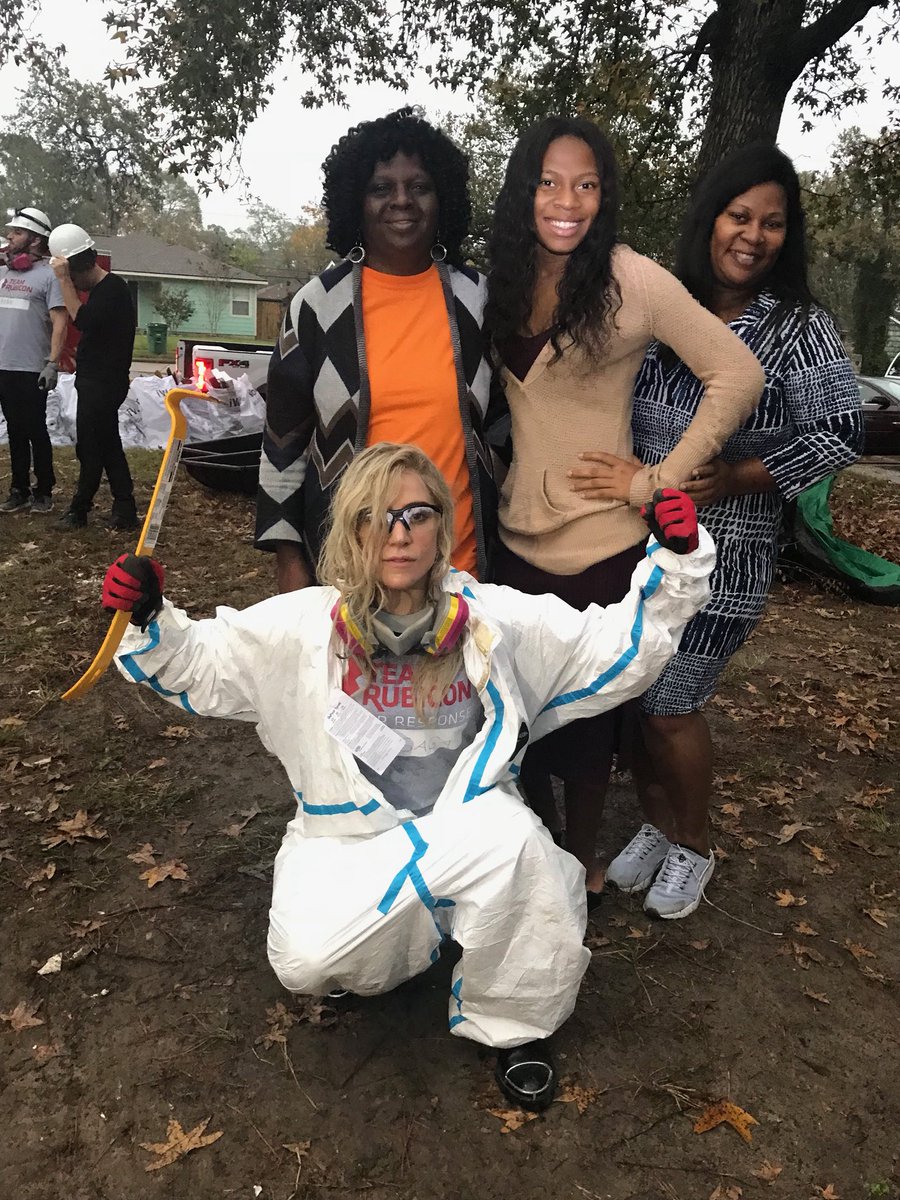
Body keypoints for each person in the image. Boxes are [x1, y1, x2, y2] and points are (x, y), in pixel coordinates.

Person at [103, 442, 714, 1110]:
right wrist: (149, 616)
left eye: (416, 514)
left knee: (518, 847)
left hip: (471, 824)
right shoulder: (304, 627)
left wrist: (676, 559)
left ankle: (516, 1023)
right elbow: (199, 663)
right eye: (375, 515)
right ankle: (415, 934)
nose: (397, 534)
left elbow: (618, 644)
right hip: (346, 838)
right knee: (305, 959)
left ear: (441, 527)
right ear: (351, 528)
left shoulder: (493, 621)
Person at [486, 117, 765, 898]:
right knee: (522, 718)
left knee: (584, 731)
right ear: (524, 191)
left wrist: (656, 482)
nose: (565, 200)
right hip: (513, 543)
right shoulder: (503, 278)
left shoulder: (629, 277)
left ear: (604, 197)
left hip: (599, 547)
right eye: (548, 182)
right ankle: (541, 853)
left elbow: (737, 374)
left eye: (586, 184)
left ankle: (578, 870)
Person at [597, 143, 863, 919]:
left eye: (771, 223)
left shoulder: (798, 328)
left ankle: (694, 844)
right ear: (710, 220)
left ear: (787, 235)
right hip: (641, 548)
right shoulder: (668, 308)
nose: (752, 236)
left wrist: (741, 474)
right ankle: (656, 824)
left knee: (670, 704)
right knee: (637, 698)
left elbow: (841, 430)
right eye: (738, 216)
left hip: (727, 556)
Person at [254, 107, 506, 593]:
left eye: (419, 186)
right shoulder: (317, 306)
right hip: (349, 572)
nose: (402, 200)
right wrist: (288, 558)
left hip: (461, 568)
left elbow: (506, 424)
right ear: (356, 199)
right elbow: (282, 443)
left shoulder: (479, 301)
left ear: (443, 197)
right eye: (381, 188)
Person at [48, 223, 139, 530]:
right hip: (96, 381)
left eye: (73, 276)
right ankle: (122, 507)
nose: (73, 283)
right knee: (104, 443)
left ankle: (82, 509)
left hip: (104, 384)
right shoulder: (106, 290)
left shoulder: (113, 290)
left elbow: (82, 319)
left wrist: (63, 281)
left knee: (93, 447)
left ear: (82, 266)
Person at [0, 206, 67, 514]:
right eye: (10, 232)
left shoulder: (49, 276)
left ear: (36, 239)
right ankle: (19, 489)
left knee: (35, 429)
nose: (10, 237)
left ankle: (44, 489)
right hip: (4, 366)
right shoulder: (4, 273)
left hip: (31, 368)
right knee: (14, 430)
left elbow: (60, 321)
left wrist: (52, 362)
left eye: (17, 233)